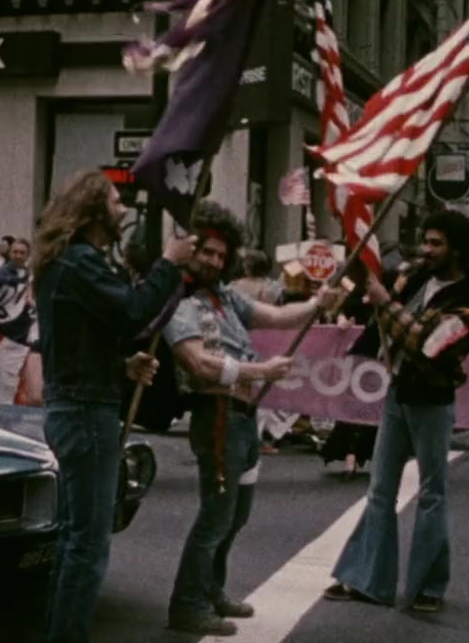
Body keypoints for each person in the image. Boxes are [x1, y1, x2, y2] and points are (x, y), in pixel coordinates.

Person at [164, 202, 344, 636]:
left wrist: (317, 303)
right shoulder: (178, 299)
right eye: (207, 252)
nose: (214, 261)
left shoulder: (225, 296)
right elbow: (198, 363)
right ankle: (187, 606)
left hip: (244, 417)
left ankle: (211, 590)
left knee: (236, 515)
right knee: (215, 517)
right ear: (190, 249)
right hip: (217, 414)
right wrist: (259, 371)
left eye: (221, 255)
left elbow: (277, 317)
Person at [31, 170, 196, 643]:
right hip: (86, 413)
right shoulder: (81, 262)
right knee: (87, 545)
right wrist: (168, 263)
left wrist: (120, 365)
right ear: (92, 210)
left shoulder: (65, 262)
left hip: (75, 405)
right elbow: (132, 310)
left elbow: (77, 341)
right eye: (116, 200)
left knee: (74, 538)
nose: (123, 209)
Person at [323, 210, 469, 615]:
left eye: (436, 243)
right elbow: (374, 282)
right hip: (398, 392)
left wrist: (384, 302)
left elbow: (426, 343)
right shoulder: (414, 275)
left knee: (432, 493)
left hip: (433, 401)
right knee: (380, 489)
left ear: (458, 251)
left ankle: (428, 585)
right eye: (425, 241)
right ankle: (367, 580)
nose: (426, 249)